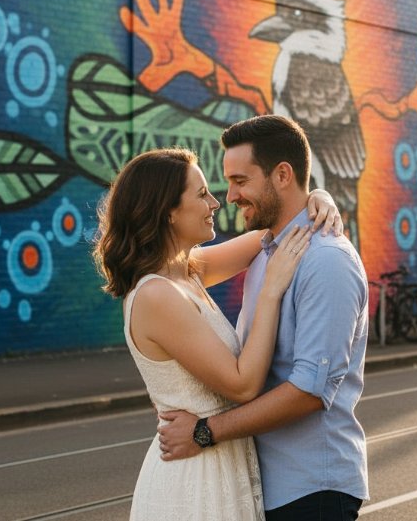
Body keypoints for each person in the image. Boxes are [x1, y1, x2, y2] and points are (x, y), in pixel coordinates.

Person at [92, 146, 342, 520]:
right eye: (201, 194)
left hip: (218, 459)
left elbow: (277, 231)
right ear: (169, 213)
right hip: (195, 476)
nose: (216, 203)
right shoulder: (157, 293)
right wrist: (272, 290)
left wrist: (317, 198)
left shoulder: (186, 272)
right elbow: (243, 386)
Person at [159, 115, 370, 521]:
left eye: (240, 180)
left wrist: (204, 431)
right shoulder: (269, 248)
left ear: (283, 175)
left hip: (312, 489)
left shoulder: (326, 262)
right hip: (269, 488)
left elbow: (309, 391)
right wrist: (319, 196)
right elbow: (174, 269)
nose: (229, 195)